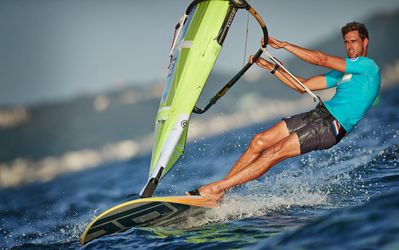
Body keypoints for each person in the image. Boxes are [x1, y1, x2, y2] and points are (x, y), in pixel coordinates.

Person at [187, 21, 381, 202]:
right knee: (259, 141)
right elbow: (302, 85)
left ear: (365, 42)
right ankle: (219, 193)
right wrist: (272, 67)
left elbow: (320, 59)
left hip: (331, 127)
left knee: (274, 152)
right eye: (346, 42)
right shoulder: (343, 72)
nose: (349, 47)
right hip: (319, 114)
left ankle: (215, 189)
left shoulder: (368, 67)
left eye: (353, 42)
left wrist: (285, 45)